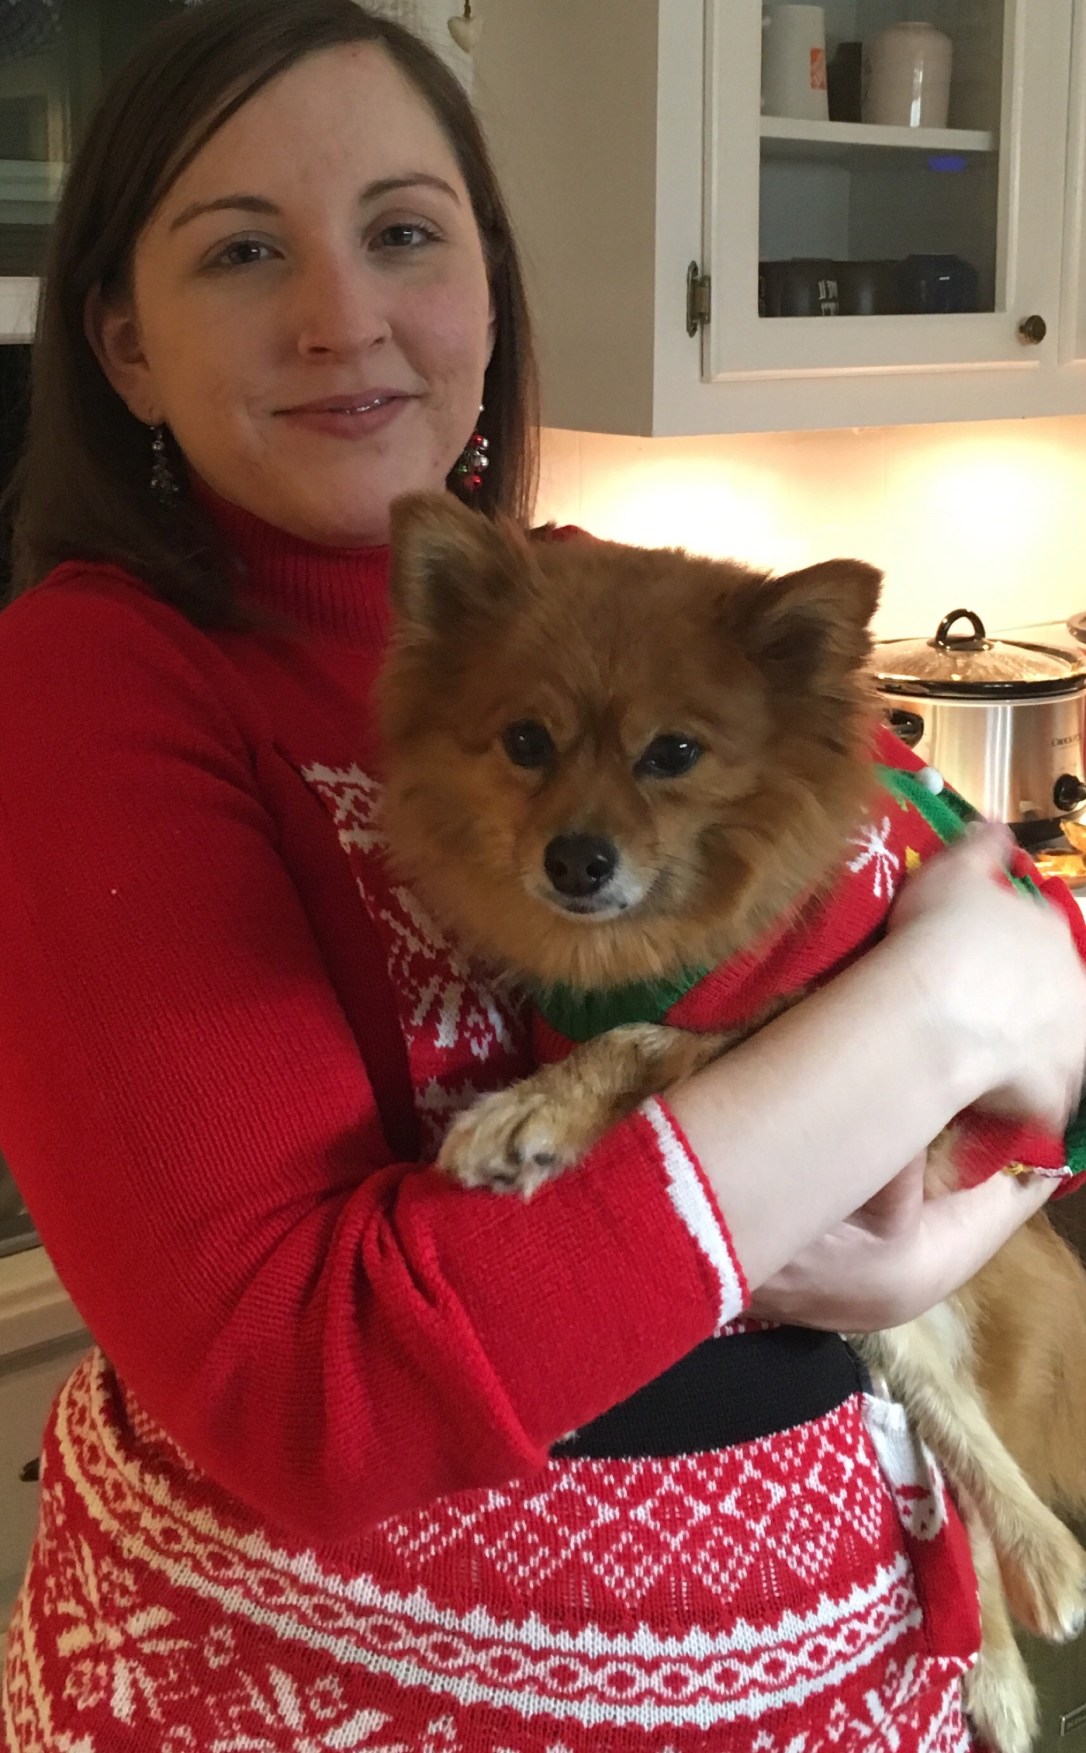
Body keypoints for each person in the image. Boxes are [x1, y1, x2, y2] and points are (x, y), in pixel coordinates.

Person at [0, 4, 1084, 1748]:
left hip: (847, 1660)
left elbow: (1023, 977)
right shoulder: (89, 685)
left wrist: (952, 1155)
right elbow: (311, 1388)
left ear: (490, 293)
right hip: (324, 1699)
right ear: (123, 341)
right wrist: (937, 1018)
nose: (342, 316)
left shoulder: (595, 603)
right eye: (244, 250)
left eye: (404, 233)